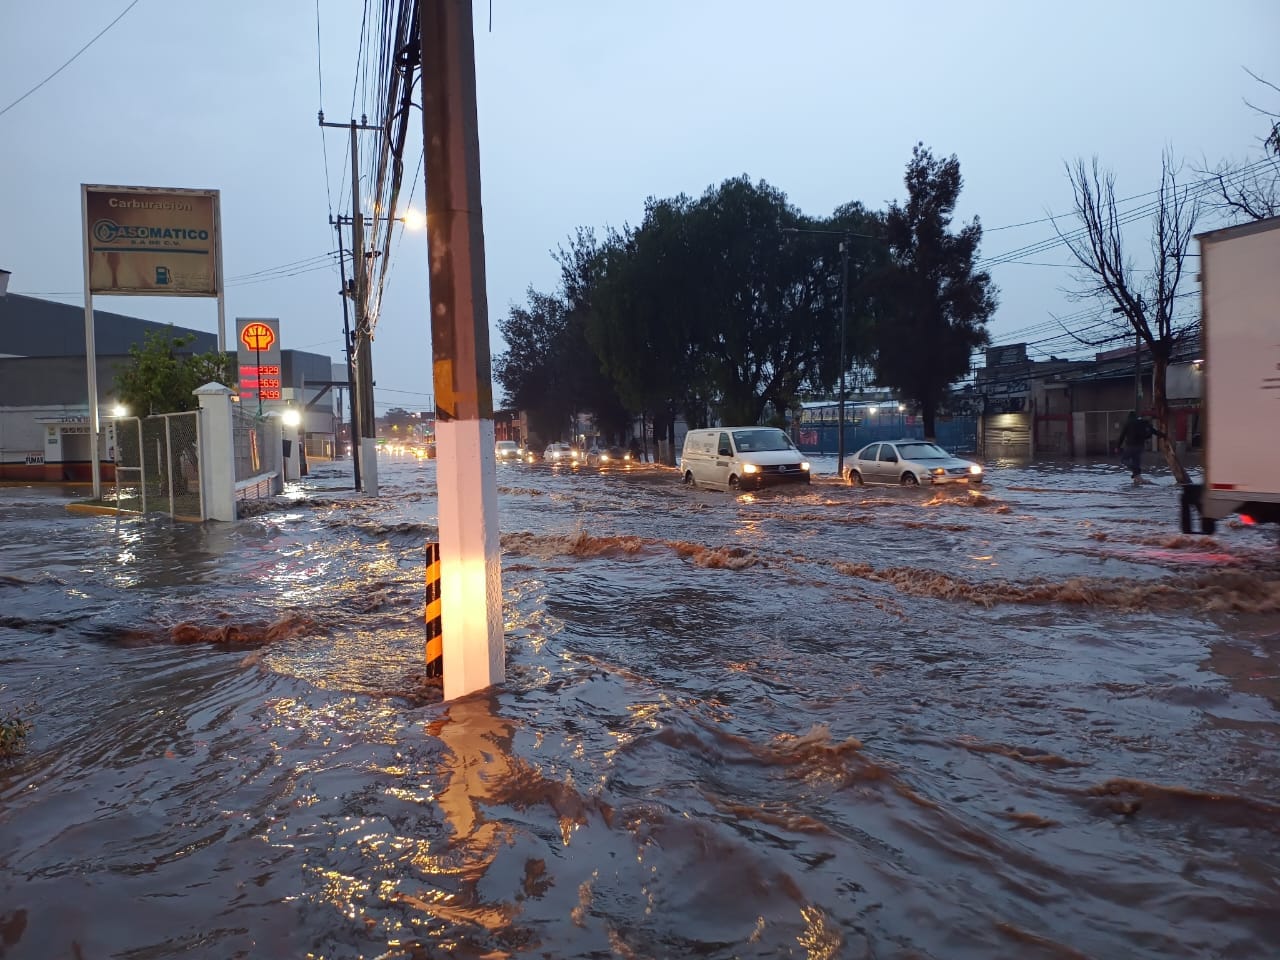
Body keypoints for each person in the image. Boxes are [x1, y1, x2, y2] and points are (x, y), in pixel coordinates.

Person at [1114, 411, 1165, 481]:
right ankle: (1137, 478)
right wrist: (1163, 435)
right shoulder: (1142, 423)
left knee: (1124, 460)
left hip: (1130, 446)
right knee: (1136, 460)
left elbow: (1122, 436)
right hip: (1140, 446)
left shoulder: (1128, 423)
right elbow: (1153, 430)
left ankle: (1136, 470)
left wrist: (1117, 447)